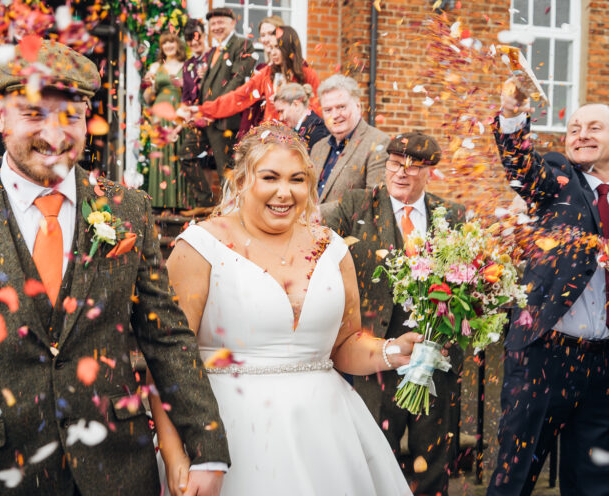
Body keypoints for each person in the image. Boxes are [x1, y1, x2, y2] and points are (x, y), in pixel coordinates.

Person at [0, 40, 230, 495]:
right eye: (35, 114)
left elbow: (167, 335)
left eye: (71, 116)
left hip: (116, 468)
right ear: (0, 117)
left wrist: (208, 445)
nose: (55, 134)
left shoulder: (127, 209)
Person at [150, 121, 421, 495]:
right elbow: (167, 360)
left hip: (326, 435)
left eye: (297, 179)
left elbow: (345, 345)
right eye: (270, 177)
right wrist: (175, 454)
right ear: (243, 179)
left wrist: (392, 351)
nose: (284, 192)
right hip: (228, 434)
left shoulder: (332, 247)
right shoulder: (200, 247)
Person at [321, 132, 465, 496]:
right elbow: (314, 240)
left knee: (432, 460)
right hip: (375, 357)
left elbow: (470, 285)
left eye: (412, 167)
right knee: (372, 455)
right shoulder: (355, 205)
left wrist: (455, 338)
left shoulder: (452, 215)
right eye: (394, 164)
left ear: (428, 171)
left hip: (435, 362)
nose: (400, 173)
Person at [485, 79, 609, 496]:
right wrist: (512, 115)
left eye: (594, 127)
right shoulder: (558, 179)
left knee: (594, 481)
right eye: (574, 127)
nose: (581, 134)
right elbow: (522, 167)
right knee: (515, 477)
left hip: (603, 364)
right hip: (545, 355)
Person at [178, 7, 255, 216]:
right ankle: (205, 200)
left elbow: (239, 80)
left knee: (226, 169)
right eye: (213, 24)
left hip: (225, 119)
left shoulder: (243, 45)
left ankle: (231, 213)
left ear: (233, 23)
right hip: (205, 119)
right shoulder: (213, 51)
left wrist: (216, 108)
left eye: (221, 22)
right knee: (185, 154)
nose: (217, 27)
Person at [183, 26, 320, 134]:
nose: (272, 52)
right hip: (269, 138)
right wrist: (203, 109)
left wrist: (289, 104)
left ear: (289, 47)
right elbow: (239, 97)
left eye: (277, 47)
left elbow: (317, 110)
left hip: (299, 138)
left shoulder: (308, 75)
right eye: (271, 48)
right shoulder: (266, 74)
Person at [311, 74, 390, 203]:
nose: (335, 115)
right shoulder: (318, 147)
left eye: (341, 107)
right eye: (328, 110)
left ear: (358, 107)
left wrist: (318, 213)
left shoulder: (378, 143)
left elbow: (374, 199)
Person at [142, 32, 189, 210]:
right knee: (160, 156)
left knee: (177, 153)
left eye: (172, 42)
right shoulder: (155, 67)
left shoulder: (186, 66)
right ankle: (159, 203)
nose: (169, 46)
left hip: (177, 112)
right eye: (165, 43)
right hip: (160, 113)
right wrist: (151, 86)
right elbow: (147, 98)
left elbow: (191, 93)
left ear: (178, 45)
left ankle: (180, 203)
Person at [273, 82, 329, 151]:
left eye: (282, 111)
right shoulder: (300, 129)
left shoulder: (317, 129)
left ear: (296, 105)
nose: (280, 118)